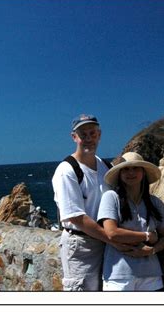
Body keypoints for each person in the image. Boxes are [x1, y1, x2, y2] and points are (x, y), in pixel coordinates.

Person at [52, 114, 131, 291]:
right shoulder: (67, 170)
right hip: (82, 247)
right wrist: (113, 239)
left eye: (92, 133)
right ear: (74, 137)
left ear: (99, 135)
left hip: (106, 243)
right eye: (83, 134)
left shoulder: (106, 167)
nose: (88, 139)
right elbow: (76, 217)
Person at [97, 152, 164, 291]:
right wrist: (147, 236)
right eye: (125, 169)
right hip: (118, 276)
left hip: (151, 275)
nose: (130, 172)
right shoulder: (111, 198)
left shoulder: (155, 202)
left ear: (143, 172)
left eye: (136, 168)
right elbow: (112, 232)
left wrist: (151, 251)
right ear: (120, 174)